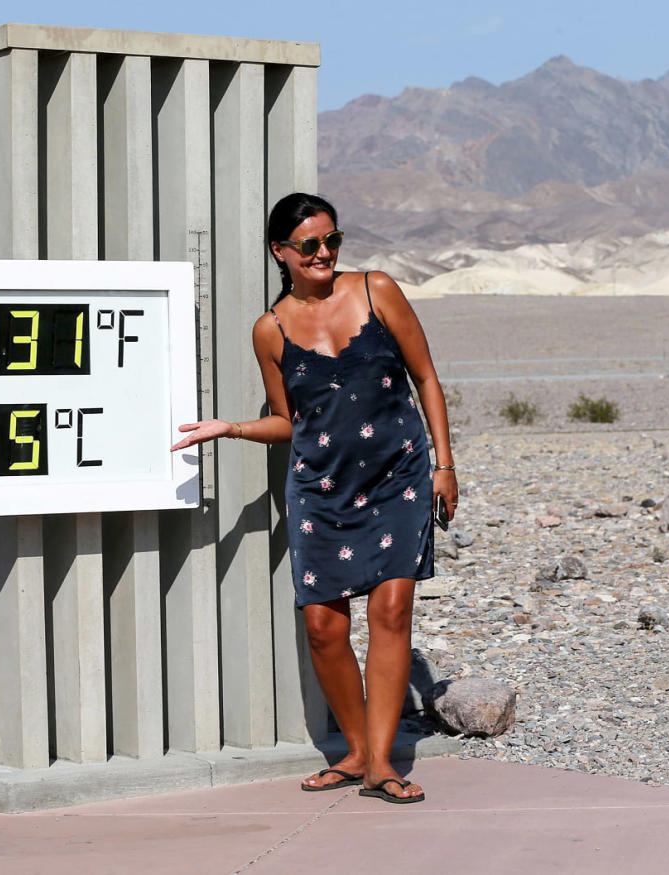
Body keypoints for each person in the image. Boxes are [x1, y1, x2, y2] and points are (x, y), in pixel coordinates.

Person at [172, 193, 457, 804]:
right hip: (319, 489)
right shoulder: (269, 330)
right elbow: (286, 420)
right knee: (324, 626)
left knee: (391, 611)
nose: (324, 252)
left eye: (333, 240)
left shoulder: (377, 290)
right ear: (281, 252)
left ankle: (382, 763)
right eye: (309, 245)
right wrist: (231, 428)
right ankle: (355, 750)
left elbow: (426, 377)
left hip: (397, 476)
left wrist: (444, 464)